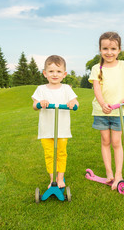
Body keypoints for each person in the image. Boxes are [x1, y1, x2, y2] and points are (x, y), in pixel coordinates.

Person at [88, 31, 124, 190]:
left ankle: (118, 175)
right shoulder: (97, 67)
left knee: (117, 142)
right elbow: (96, 88)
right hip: (101, 111)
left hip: (118, 111)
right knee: (105, 141)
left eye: (113, 49)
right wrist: (103, 104)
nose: (109, 52)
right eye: (105, 49)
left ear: (119, 49)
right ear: (100, 49)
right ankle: (109, 174)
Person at [32, 55, 79, 189]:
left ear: (64, 74)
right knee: (49, 154)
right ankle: (53, 179)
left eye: (58, 71)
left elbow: (76, 103)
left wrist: (72, 103)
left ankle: (60, 178)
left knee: (61, 153)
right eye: (51, 71)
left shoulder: (66, 89)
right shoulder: (41, 89)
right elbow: (34, 106)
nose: (54, 74)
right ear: (45, 73)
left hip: (62, 130)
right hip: (46, 130)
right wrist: (40, 103)